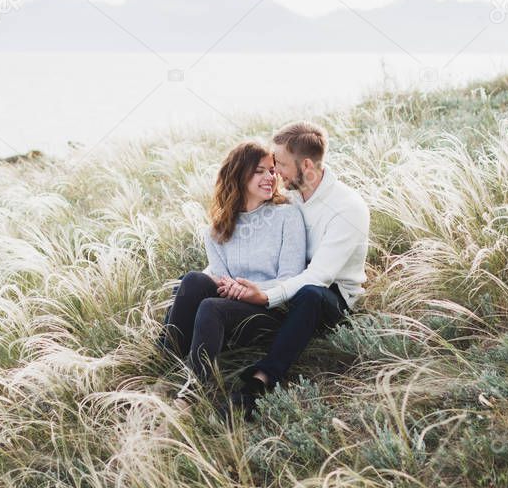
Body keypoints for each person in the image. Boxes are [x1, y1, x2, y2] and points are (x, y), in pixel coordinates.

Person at [218, 121, 370, 420]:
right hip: (285, 282)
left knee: (310, 295)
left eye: (281, 165)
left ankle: (259, 382)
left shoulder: (348, 208)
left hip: (329, 297)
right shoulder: (292, 195)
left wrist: (265, 296)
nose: (275, 172)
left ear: (307, 165)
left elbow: (319, 277)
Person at [158, 141, 306, 402]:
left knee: (211, 307)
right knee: (193, 280)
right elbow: (221, 280)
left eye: (272, 170)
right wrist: (234, 289)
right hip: (231, 310)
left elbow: (291, 279)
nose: (270, 177)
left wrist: (253, 290)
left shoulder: (287, 216)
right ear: (239, 174)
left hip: (270, 310)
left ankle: (192, 394)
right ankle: (162, 370)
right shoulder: (216, 231)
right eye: (260, 171)